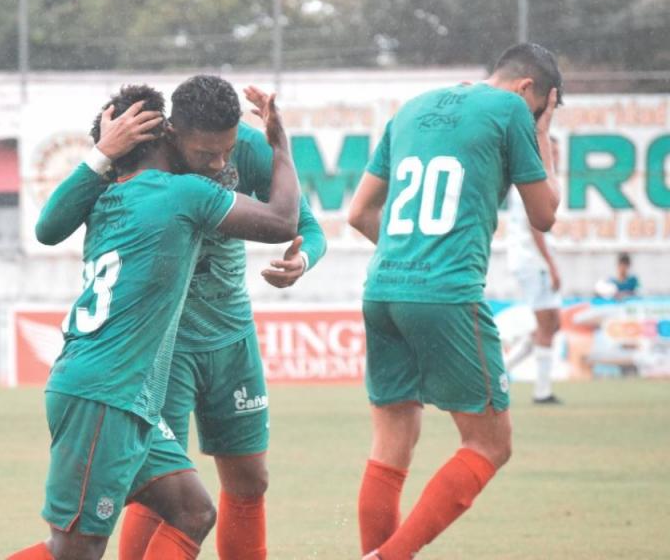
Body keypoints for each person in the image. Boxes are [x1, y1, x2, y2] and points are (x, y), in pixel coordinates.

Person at [36, 74, 326, 560]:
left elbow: (301, 226)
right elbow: (281, 220)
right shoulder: (181, 193)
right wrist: (284, 147)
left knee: (195, 508)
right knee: (76, 551)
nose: (219, 164)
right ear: (169, 136)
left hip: (147, 369)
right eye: (205, 154)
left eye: (225, 153)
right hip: (125, 377)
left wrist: (305, 256)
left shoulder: (108, 196)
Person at [347, 42, 562, 560]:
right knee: (491, 443)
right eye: (542, 110)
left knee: (393, 439)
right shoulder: (513, 109)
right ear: (529, 89)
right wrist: (542, 136)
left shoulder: (413, 108)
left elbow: (357, 213)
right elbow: (545, 215)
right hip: (445, 294)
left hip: (382, 288)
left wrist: (411, 258)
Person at [504, 135, 563, 404]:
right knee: (546, 322)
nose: (557, 157)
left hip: (533, 259)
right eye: (552, 151)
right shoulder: (533, 182)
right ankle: (542, 391)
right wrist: (551, 266)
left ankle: (503, 371)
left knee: (552, 323)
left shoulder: (538, 181)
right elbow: (536, 227)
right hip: (531, 261)